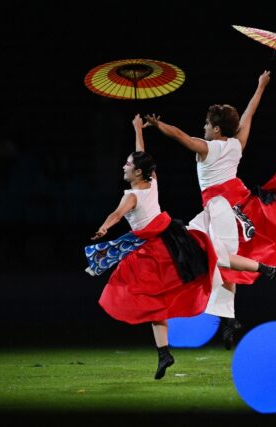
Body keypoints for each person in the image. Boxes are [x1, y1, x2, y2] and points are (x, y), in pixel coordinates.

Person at [144, 70, 276, 349]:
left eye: (206, 124)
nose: (203, 127)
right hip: (241, 198)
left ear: (216, 129)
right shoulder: (236, 144)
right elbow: (249, 115)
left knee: (215, 254)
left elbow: (181, 136)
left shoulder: (206, 148)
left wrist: (159, 125)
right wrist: (261, 86)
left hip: (219, 207)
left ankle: (230, 314)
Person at [84, 114, 221, 379]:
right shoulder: (152, 179)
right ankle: (163, 353)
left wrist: (104, 227)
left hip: (152, 251)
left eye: (127, 164)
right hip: (171, 242)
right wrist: (137, 128)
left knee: (132, 292)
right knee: (157, 301)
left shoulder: (132, 195)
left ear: (137, 172)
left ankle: (167, 348)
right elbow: (141, 154)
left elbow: (116, 214)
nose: (123, 166)